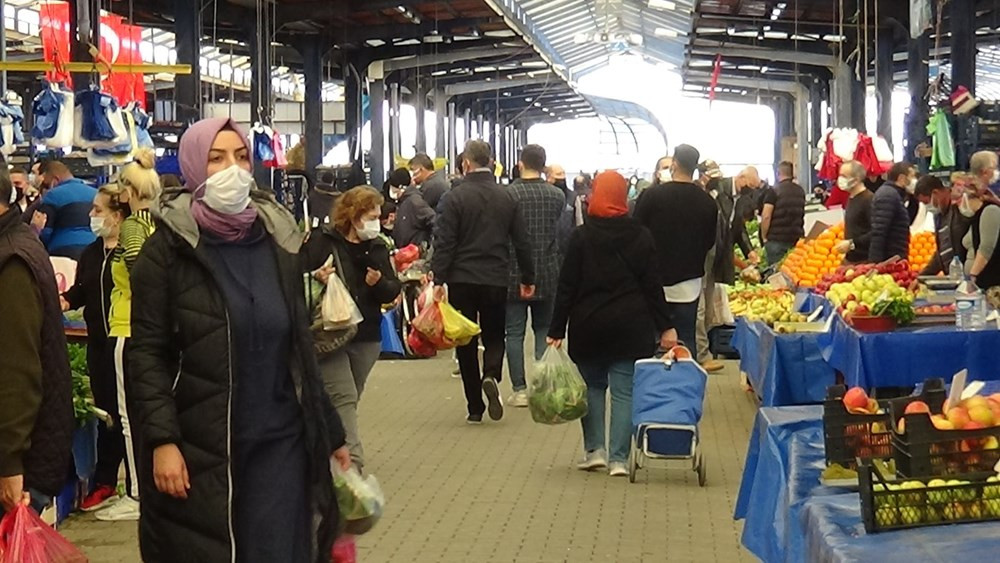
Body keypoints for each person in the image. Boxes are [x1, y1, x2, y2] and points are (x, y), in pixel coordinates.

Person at [128, 117, 350, 562]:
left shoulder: (277, 241)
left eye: (241, 156)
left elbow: (299, 349)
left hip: (281, 444)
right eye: (216, 158)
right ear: (193, 168)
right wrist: (162, 442)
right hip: (205, 448)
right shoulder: (168, 251)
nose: (233, 168)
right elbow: (147, 354)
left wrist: (332, 433)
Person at [547, 170, 675, 476]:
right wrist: (666, 325)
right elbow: (652, 286)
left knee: (591, 388)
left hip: (588, 324)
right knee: (623, 392)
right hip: (630, 326)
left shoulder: (581, 237)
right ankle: (619, 458)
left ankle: (595, 452)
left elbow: (566, 287)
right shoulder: (641, 236)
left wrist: (555, 329)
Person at [431, 140, 535, 424]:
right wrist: (528, 277)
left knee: (465, 339)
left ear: (466, 162)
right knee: (494, 334)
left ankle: (474, 406)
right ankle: (491, 373)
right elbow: (522, 242)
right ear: (491, 161)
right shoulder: (507, 197)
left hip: (461, 278)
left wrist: (439, 278)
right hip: (495, 277)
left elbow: (445, 242)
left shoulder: (454, 198)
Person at [303, 186, 401, 471]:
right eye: (371, 215)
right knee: (343, 397)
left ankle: (325, 446)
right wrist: (316, 276)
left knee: (348, 398)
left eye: (378, 216)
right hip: (330, 333)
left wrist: (379, 283)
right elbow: (298, 276)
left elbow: (391, 290)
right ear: (353, 214)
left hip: (366, 335)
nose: (376, 221)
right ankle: (351, 467)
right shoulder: (322, 241)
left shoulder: (378, 246)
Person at [0, 169, 74, 516]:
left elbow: (16, 372)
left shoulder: (12, 261)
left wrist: (9, 463)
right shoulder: (17, 243)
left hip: (19, 470)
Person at [95, 148, 160, 522]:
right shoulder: (158, 222)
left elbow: (139, 270)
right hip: (146, 329)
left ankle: (136, 493)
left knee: (128, 416)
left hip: (127, 326)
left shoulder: (134, 226)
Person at [61, 184, 130, 513]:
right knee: (106, 414)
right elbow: (80, 291)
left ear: (117, 216)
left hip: (127, 344)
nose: (91, 215)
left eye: (98, 210)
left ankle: (130, 484)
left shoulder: (130, 253)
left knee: (127, 415)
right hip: (98, 346)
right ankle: (106, 482)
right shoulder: (90, 254)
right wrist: (63, 300)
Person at [634, 144, 718, 351]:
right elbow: (710, 241)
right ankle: (688, 381)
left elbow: (636, 234)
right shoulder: (707, 202)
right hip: (688, 283)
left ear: (674, 164)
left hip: (652, 281)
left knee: (652, 340)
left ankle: (651, 381)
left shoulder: (651, 196)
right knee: (686, 340)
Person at [504, 144, 565, 407]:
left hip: (512, 272)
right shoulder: (556, 196)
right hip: (548, 271)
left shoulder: (507, 195)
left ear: (520, 164)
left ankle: (519, 389)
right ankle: (541, 387)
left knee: (514, 334)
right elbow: (560, 233)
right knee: (543, 330)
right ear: (544, 166)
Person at [695, 161, 730, 373]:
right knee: (699, 307)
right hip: (698, 258)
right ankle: (701, 354)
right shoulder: (696, 196)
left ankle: (702, 350)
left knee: (707, 307)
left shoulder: (718, 197)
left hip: (712, 257)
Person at [35, 160, 98, 259]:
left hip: (62, 252)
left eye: (46, 185)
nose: (44, 189)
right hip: (93, 249)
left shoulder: (52, 195)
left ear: (55, 180)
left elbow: (46, 231)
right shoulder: (96, 194)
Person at [915, 175, 972, 275]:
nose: (928, 207)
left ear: (935, 193)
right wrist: (922, 276)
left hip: (970, 275)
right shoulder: (939, 216)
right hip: (954, 277)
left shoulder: (962, 207)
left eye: (926, 202)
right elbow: (942, 252)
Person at [761, 161, 806, 266]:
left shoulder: (773, 191)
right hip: (796, 239)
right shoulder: (800, 191)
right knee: (793, 273)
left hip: (776, 240)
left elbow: (766, 216)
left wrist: (764, 236)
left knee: (776, 274)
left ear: (778, 173)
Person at [869, 162, 913, 262]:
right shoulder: (887, 195)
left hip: (895, 256)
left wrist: (913, 198)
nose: (913, 181)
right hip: (889, 259)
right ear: (902, 178)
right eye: (912, 176)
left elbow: (906, 221)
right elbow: (879, 231)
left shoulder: (897, 195)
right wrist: (875, 263)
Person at [959, 185, 1000, 290]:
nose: (957, 205)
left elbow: (986, 249)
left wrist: (973, 276)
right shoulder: (976, 217)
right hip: (981, 284)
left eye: (959, 200)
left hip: (991, 283)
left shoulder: (990, 211)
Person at [834, 161, 875, 264]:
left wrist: (852, 243)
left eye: (844, 176)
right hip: (851, 259)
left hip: (864, 261)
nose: (840, 179)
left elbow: (875, 232)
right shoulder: (851, 197)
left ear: (856, 180)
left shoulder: (868, 200)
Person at [393, 168, 436, 249]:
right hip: (406, 253)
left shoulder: (414, 201)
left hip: (414, 253)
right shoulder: (402, 202)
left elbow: (433, 219)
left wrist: (426, 246)